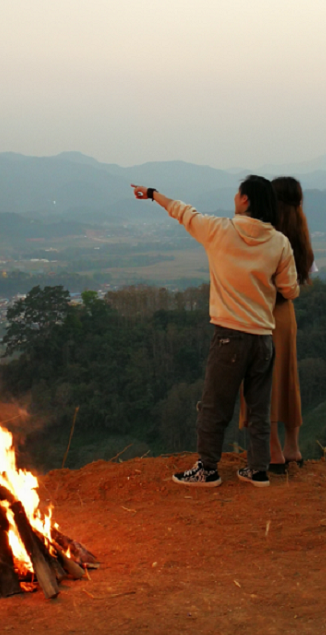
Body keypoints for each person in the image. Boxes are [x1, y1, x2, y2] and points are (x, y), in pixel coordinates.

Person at [132, 176, 299, 487]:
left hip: (229, 337)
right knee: (260, 407)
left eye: (238, 194)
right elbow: (290, 289)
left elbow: (183, 212)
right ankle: (258, 469)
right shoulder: (279, 242)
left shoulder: (219, 230)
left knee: (214, 405)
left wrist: (153, 194)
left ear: (245, 200)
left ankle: (207, 468)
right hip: (264, 338)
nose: (235, 197)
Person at [239, 176, 314, 472]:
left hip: (262, 312)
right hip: (287, 315)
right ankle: (292, 447)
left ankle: (272, 452)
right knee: (288, 377)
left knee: (260, 380)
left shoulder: (270, 236)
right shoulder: (301, 236)